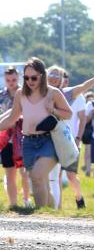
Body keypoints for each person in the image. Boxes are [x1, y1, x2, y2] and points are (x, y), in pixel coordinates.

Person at [0, 58, 73, 209]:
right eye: (26, 78)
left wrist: (52, 110)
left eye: (34, 77)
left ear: (42, 75)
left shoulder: (53, 93)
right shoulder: (21, 94)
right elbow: (12, 118)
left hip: (49, 140)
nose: (30, 81)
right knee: (39, 182)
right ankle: (52, 213)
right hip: (28, 143)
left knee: (37, 176)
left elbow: (68, 114)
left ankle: (42, 217)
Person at [46, 66, 91, 209]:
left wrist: (78, 138)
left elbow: (82, 118)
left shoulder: (73, 95)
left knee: (71, 176)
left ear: (64, 80)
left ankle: (79, 198)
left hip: (69, 140)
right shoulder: (44, 94)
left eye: (59, 77)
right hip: (52, 139)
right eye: (52, 76)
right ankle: (57, 208)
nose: (56, 79)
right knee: (55, 176)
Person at [0, 65, 31, 209]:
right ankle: (13, 204)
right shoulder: (1, 96)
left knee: (24, 172)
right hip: (7, 139)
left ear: (18, 77)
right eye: (8, 80)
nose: (11, 82)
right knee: (10, 172)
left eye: (13, 79)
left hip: (23, 138)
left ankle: (26, 200)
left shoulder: (25, 93)